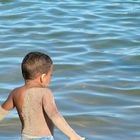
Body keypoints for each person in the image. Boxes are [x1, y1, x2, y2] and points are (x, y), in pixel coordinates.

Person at [0, 52, 85, 140]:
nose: (50, 79)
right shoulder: (45, 92)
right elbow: (54, 114)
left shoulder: (16, 92)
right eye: (50, 75)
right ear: (43, 77)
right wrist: (73, 135)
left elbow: (2, 111)